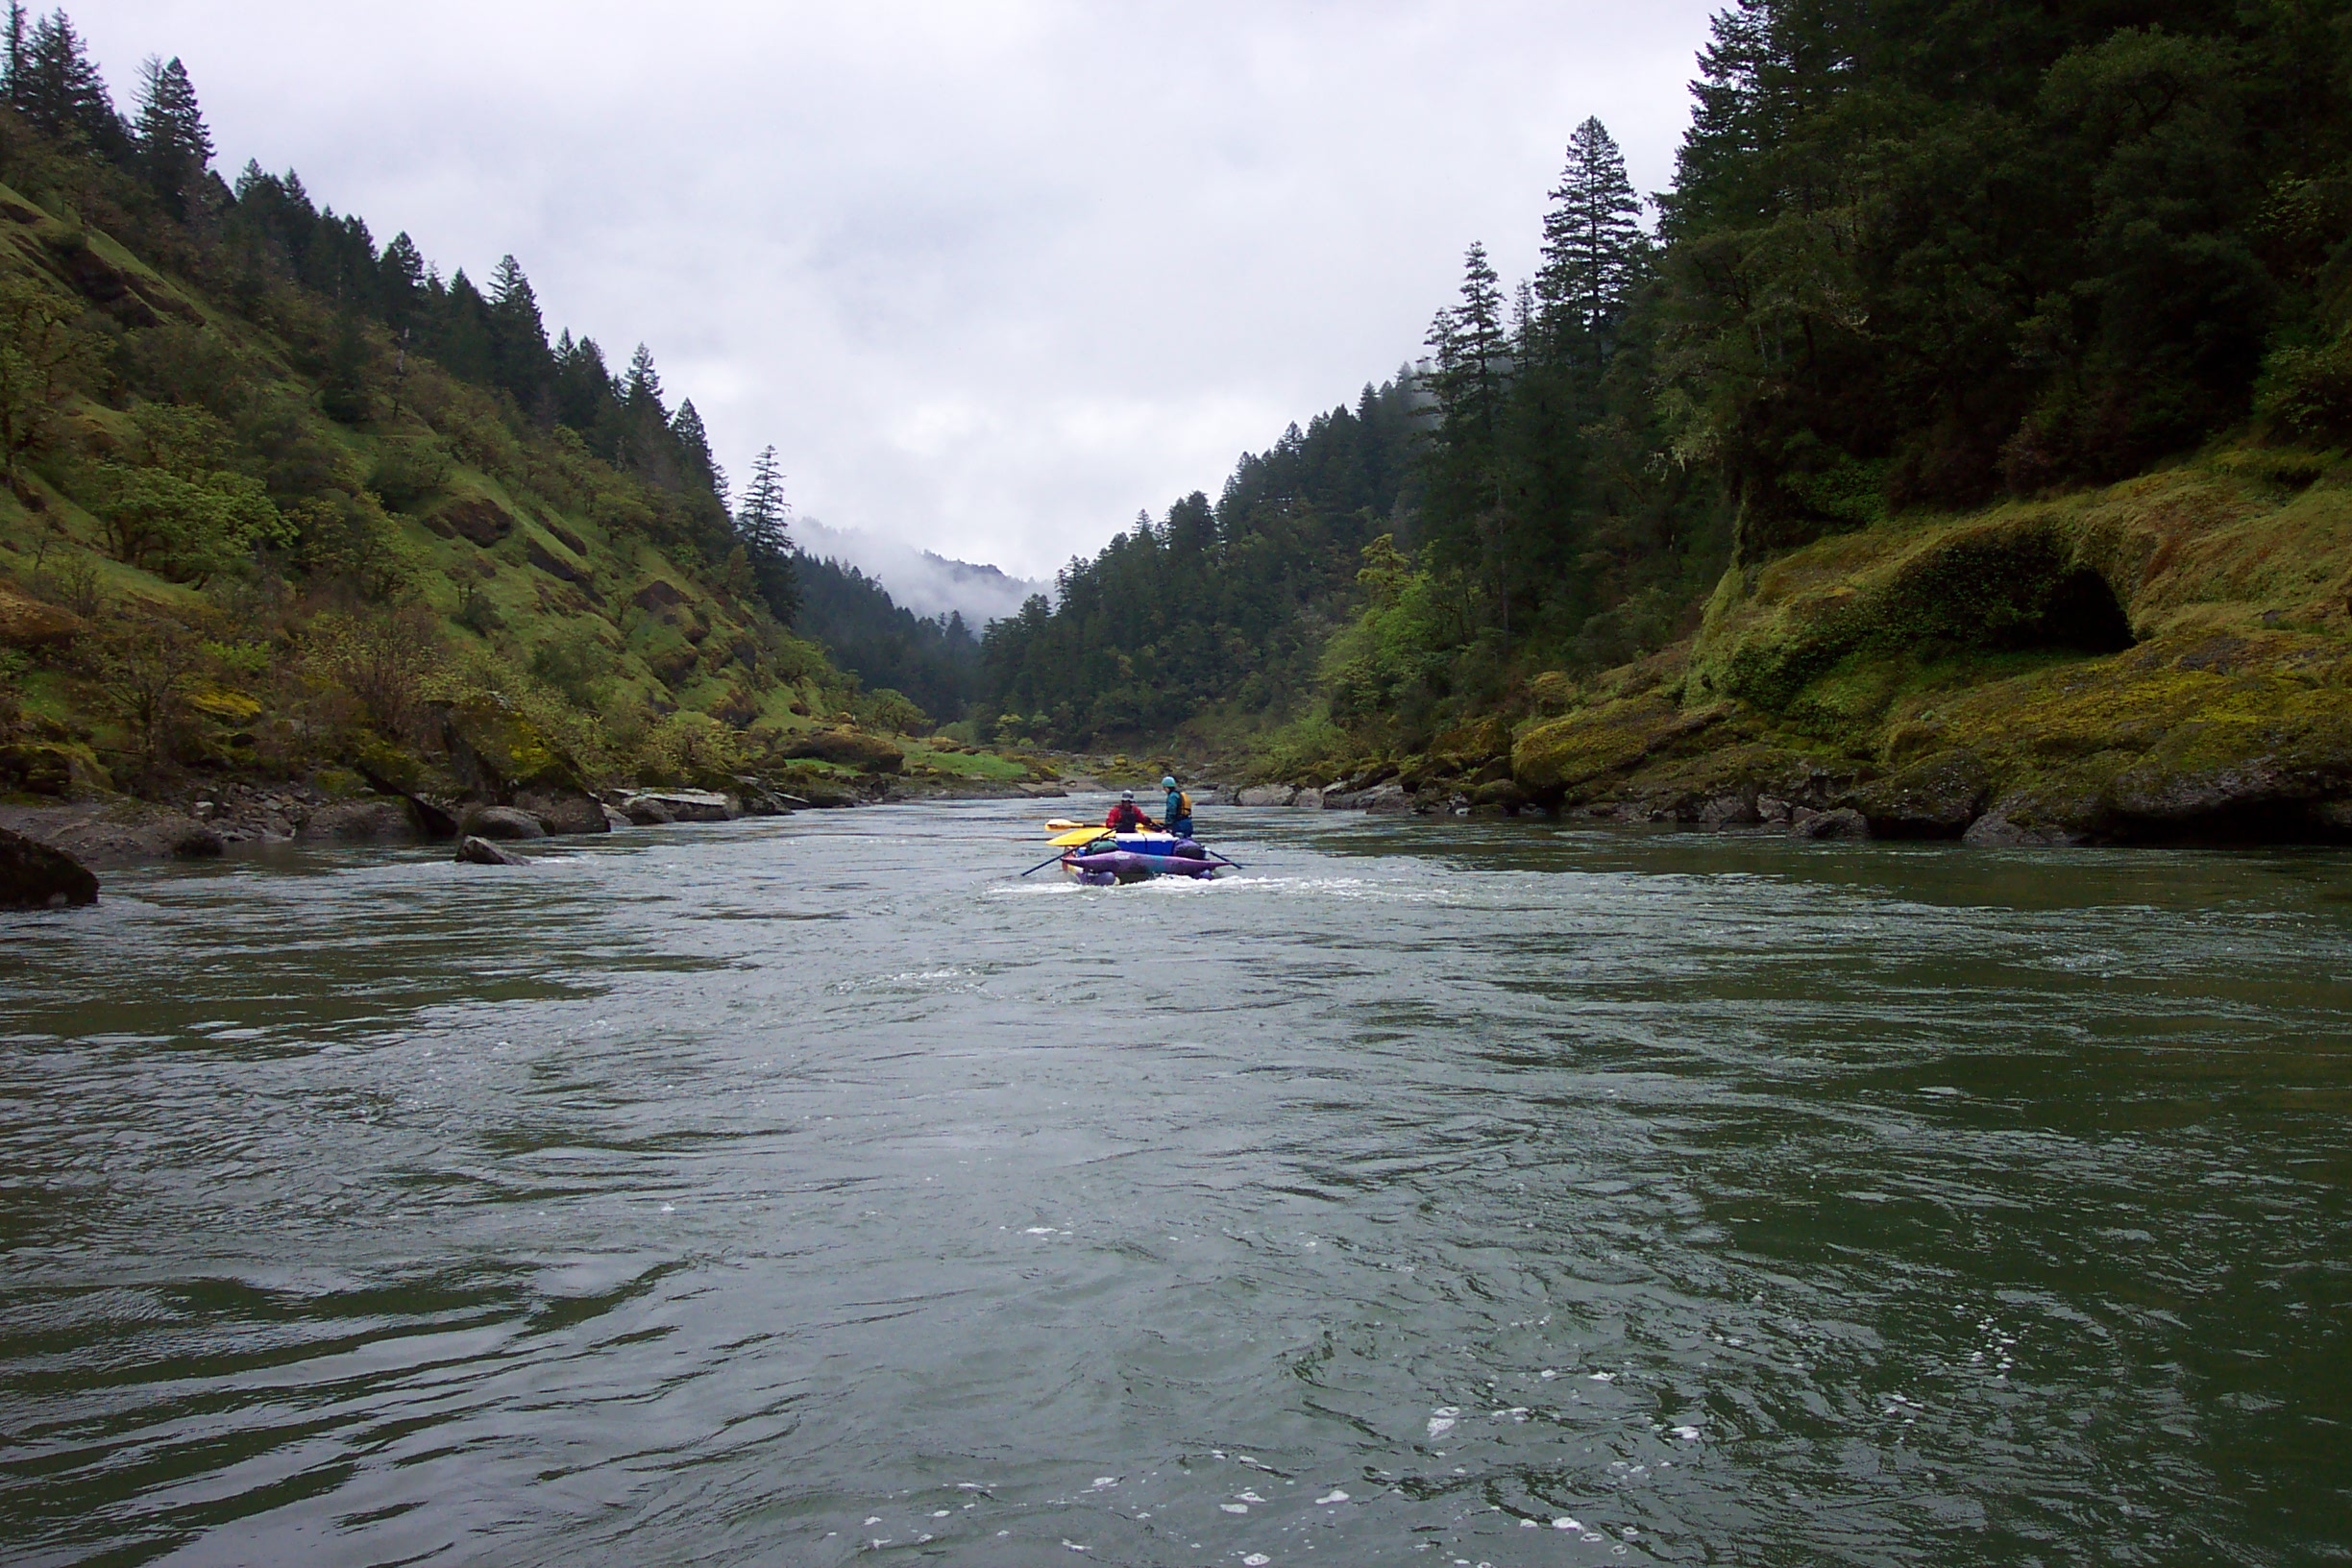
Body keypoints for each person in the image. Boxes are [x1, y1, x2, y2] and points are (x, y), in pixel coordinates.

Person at [1161, 774, 1195, 839]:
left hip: (1179, 824)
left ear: (1166, 787)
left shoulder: (1172, 796)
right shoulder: (1180, 794)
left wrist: (1166, 826)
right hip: (1188, 823)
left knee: (1180, 842)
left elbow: (1171, 811)